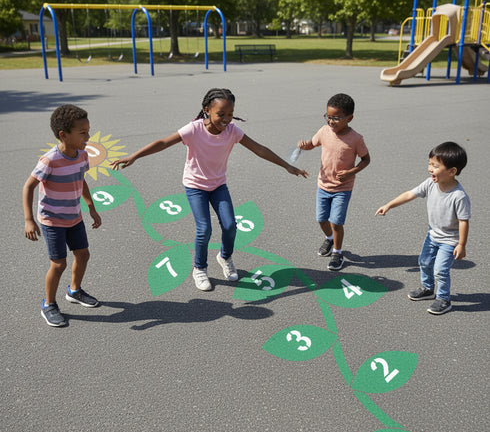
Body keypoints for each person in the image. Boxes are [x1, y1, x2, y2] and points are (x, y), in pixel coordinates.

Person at [110, 88, 308, 291]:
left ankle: (224, 256)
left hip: (218, 185)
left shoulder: (233, 131)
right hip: (195, 186)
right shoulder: (193, 129)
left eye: (230, 114)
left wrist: (287, 165)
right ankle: (199, 269)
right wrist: (133, 156)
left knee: (230, 226)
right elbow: (163, 143)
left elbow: (259, 149)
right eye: (220, 114)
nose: (226, 119)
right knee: (204, 229)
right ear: (207, 110)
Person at [23, 104, 102, 327]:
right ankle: (48, 304)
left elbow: (81, 179)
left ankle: (74, 291)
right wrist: (29, 219)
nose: (88, 136)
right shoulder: (50, 160)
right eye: (83, 132)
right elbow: (28, 187)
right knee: (58, 265)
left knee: (83, 255)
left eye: (88, 130)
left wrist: (91, 207)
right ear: (63, 135)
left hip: (74, 217)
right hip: (52, 220)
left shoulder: (82, 155)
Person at [376, 142, 470, 315]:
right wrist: (389, 205)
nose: (430, 169)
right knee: (424, 262)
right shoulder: (430, 184)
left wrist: (461, 244)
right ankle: (427, 288)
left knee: (440, 270)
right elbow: (410, 194)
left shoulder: (459, 196)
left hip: (450, 240)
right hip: (432, 234)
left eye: (435, 166)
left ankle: (443, 299)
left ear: (452, 171)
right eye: (429, 164)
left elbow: (464, 221)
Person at [297, 93, 370, 270]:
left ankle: (338, 252)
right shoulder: (324, 131)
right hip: (323, 185)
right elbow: (312, 143)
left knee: (336, 222)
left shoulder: (356, 139)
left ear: (349, 118)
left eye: (336, 118)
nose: (331, 121)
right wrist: (304, 145)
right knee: (322, 219)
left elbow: (366, 159)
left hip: (342, 188)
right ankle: (329, 239)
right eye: (328, 117)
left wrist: (352, 172)